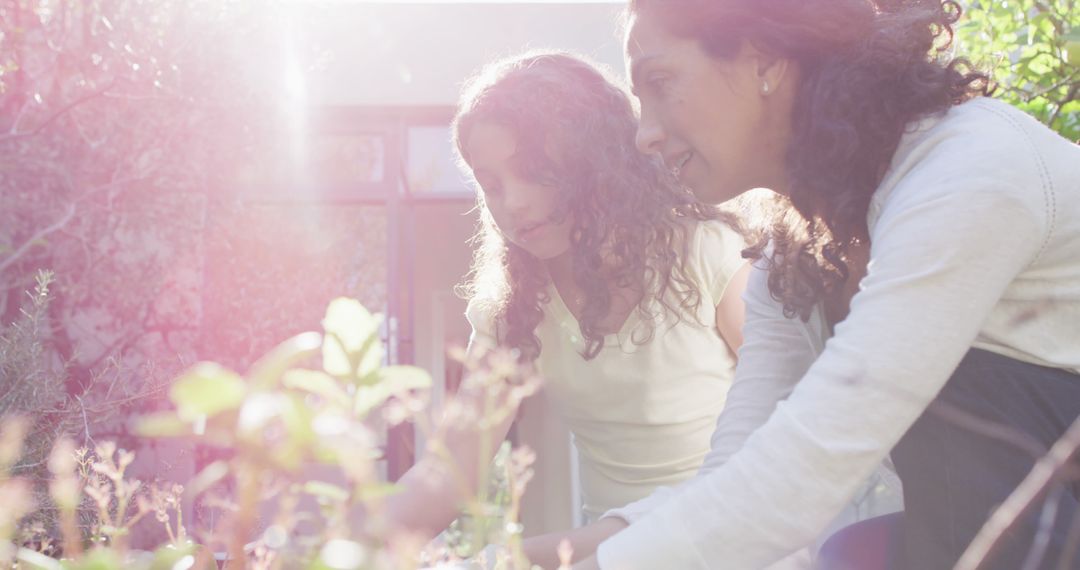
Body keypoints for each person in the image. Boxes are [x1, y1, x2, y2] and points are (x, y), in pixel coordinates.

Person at [568, 1, 1080, 568]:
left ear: (763, 61)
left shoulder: (970, 171)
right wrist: (541, 556)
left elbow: (807, 473)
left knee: (955, 391)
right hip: (992, 526)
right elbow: (741, 474)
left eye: (660, 82)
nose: (644, 136)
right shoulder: (794, 253)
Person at [382, 51, 752, 567]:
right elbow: (450, 474)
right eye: (491, 184)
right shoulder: (511, 308)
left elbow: (781, 439)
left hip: (738, 545)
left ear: (596, 160)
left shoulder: (705, 253)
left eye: (533, 171)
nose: (513, 201)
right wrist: (334, 546)